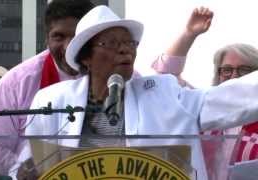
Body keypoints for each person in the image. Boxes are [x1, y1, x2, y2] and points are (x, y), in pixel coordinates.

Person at [24, 5, 258, 180]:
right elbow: (28, 164)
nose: (125, 50)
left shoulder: (164, 95)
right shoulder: (52, 101)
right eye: (112, 43)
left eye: (130, 43)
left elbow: (233, 99)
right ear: (86, 57)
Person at [0, 0, 95, 177]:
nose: (68, 46)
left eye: (76, 37)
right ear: (47, 38)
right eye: (59, 37)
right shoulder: (15, 83)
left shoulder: (123, 79)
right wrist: (20, 168)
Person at [152, 7, 258, 179]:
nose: (234, 76)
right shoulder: (202, 106)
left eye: (244, 70)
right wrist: (188, 34)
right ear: (218, 74)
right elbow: (165, 80)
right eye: (227, 70)